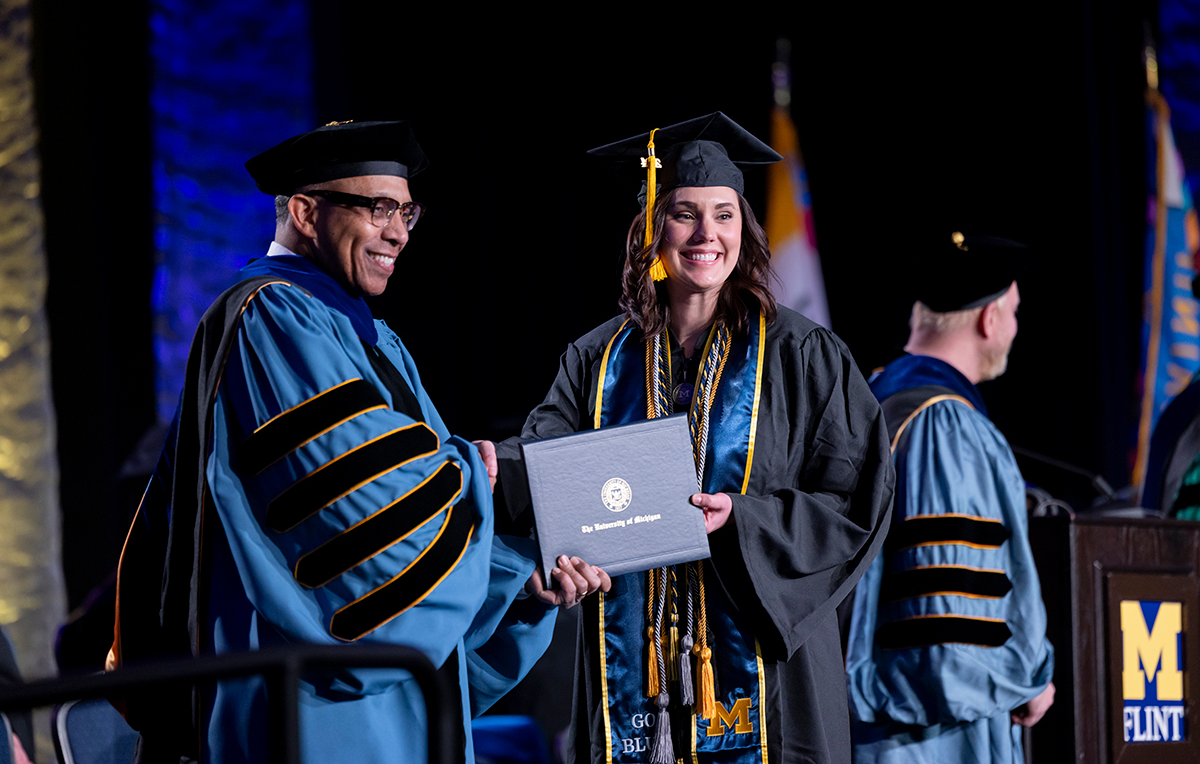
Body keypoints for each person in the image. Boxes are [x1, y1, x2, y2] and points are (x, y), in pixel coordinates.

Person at [108, 121, 591, 764]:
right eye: (379, 208)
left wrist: (520, 582)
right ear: (306, 211)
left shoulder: (363, 333)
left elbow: (424, 505)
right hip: (310, 703)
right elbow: (365, 512)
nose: (399, 231)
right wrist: (482, 471)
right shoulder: (272, 317)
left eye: (407, 211)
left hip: (376, 707)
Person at [497, 113, 895, 764]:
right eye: (684, 214)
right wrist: (504, 481)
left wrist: (745, 517)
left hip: (769, 678)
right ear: (653, 227)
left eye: (724, 214)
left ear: (746, 228)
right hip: (632, 670)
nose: (706, 234)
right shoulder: (596, 361)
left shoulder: (804, 356)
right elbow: (546, 470)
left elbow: (857, 497)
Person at [845, 233, 1055, 763]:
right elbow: (948, 631)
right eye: (1013, 311)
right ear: (989, 319)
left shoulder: (868, 403)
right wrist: (1026, 680)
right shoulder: (944, 424)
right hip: (932, 733)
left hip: (865, 722)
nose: (1013, 327)